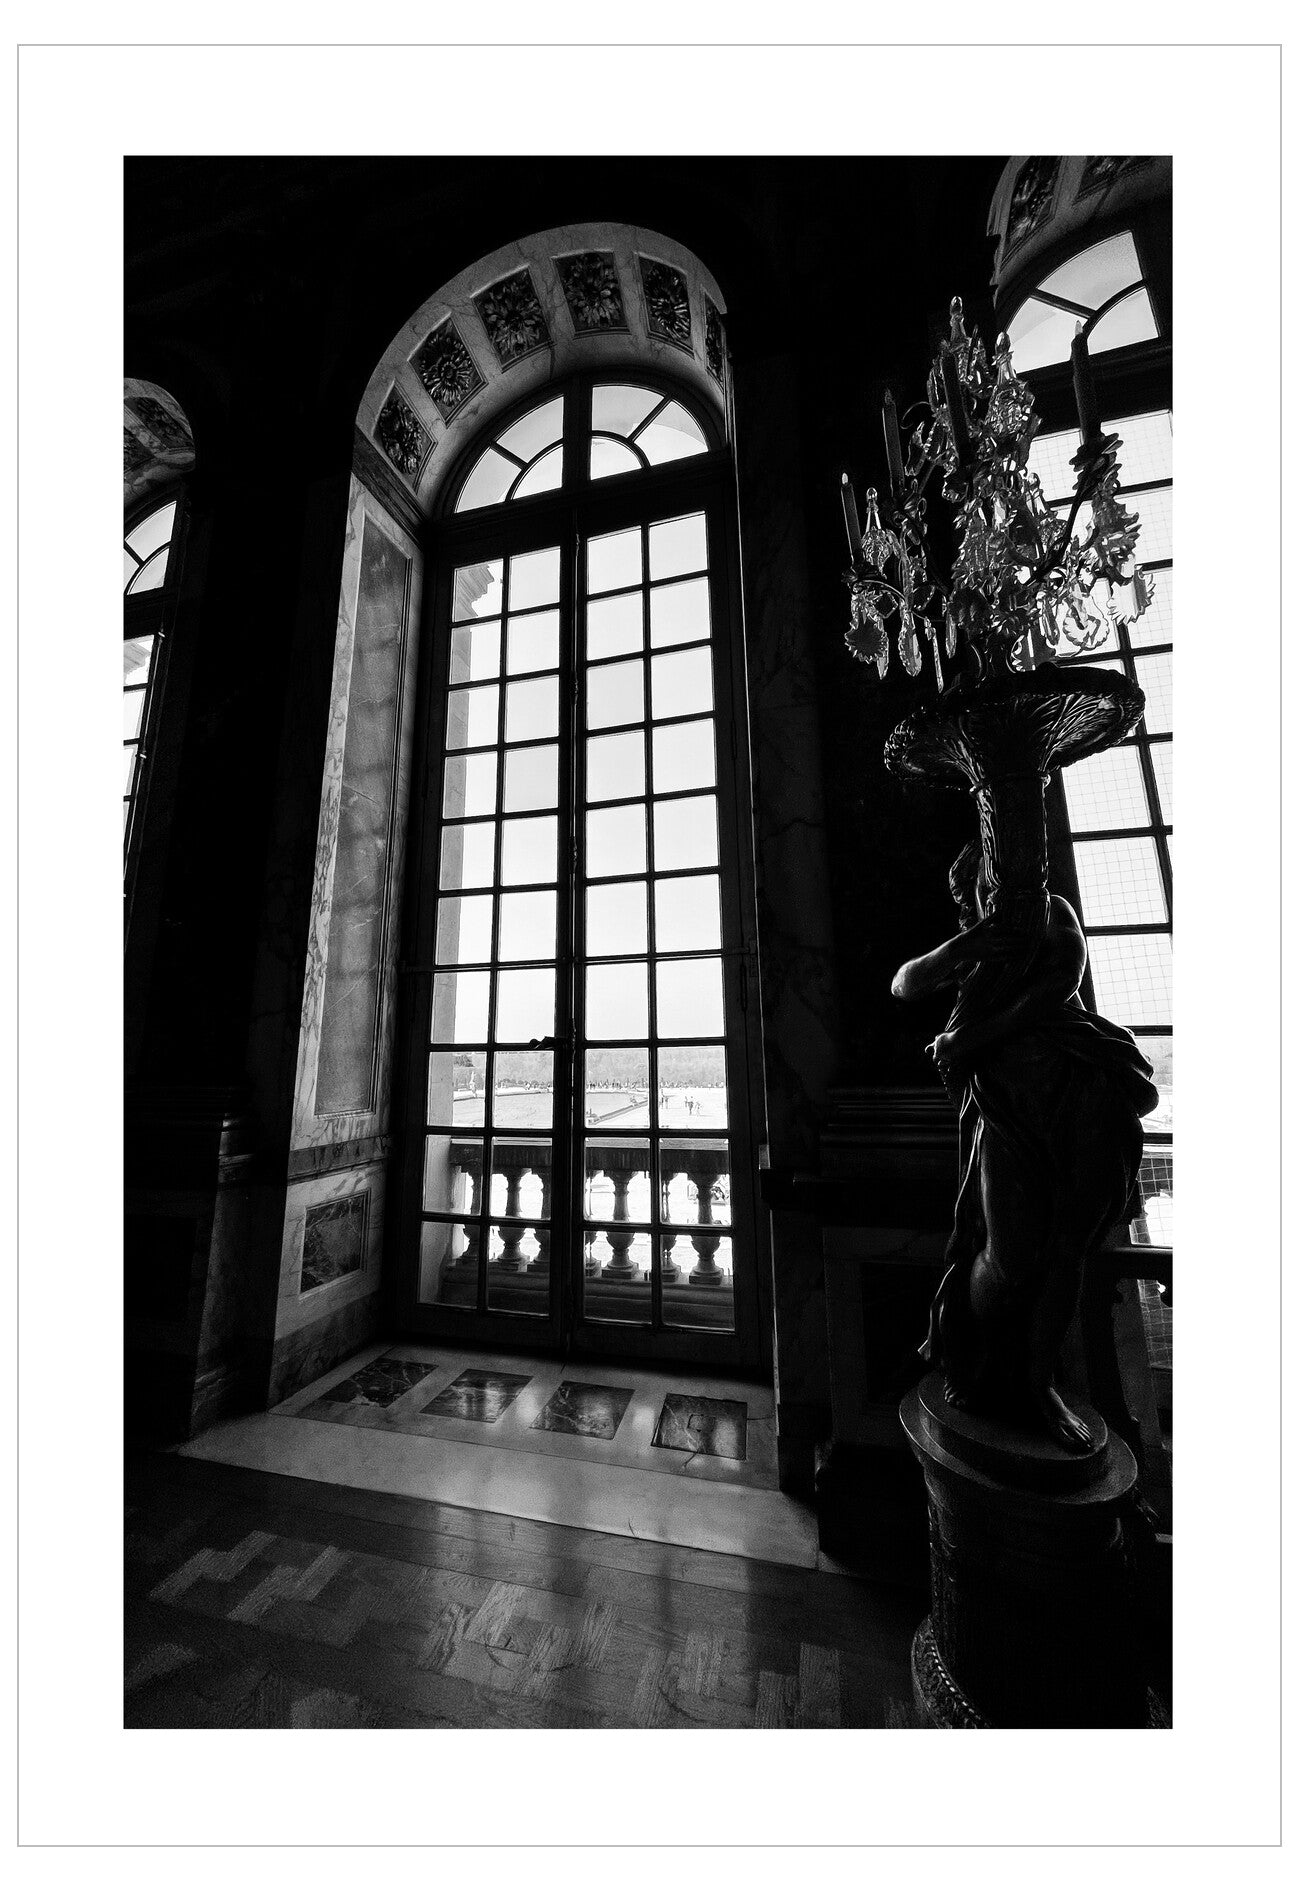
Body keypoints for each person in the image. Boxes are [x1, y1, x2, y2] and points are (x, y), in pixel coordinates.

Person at [892, 842, 1159, 1451]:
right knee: (1008, 1254)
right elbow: (905, 984)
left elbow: (1062, 979)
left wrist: (969, 1038)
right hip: (1007, 1106)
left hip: (1077, 1087)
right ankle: (984, 1361)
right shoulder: (980, 943)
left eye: (1011, 875)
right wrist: (965, 945)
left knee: (1068, 1248)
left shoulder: (1053, 913)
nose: (1003, 889)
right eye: (990, 881)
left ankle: (1039, 1383)